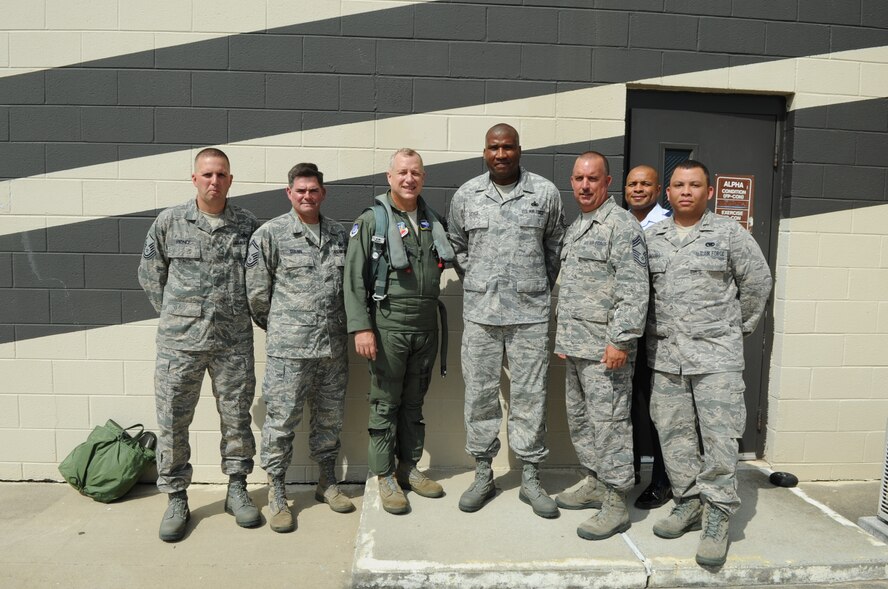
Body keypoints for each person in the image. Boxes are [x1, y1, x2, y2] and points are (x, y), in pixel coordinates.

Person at [645, 160, 772, 567]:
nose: (686, 191)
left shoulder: (730, 234)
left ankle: (717, 515)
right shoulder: (653, 238)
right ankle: (688, 501)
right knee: (673, 434)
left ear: (709, 192)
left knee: (720, 438)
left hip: (717, 358)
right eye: (679, 185)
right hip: (666, 357)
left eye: (694, 185)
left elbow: (757, 283)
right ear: (668, 193)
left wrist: (735, 330)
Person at [138, 147, 260, 542]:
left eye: (221, 174)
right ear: (194, 179)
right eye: (207, 174)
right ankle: (176, 497)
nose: (214, 181)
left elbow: (258, 282)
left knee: (237, 418)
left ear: (230, 180)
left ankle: (237, 488)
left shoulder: (246, 226)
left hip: (233, 342)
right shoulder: (169, 222)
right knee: (173, 420)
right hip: (181, 344)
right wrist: (179, 316)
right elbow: (150, 275)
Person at [447, 123, 565, 518]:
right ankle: (483, 473)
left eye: (508, 147)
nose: (501, 154)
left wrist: (533, 286)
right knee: (480, 394)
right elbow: (458, 247)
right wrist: (480, 282)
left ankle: (530, 476)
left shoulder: (545, 193)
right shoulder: (467, 195)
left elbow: (555, 247)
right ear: (485, 152)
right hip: (481, 314)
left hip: (529, 315)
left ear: (519, 150)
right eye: (494, 148)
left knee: (530, 395)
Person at [245, 163, 354, 534]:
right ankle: (277, 491)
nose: (307, 196)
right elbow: (257, 296)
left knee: (330, 418)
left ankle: (327, 482)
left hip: (333, 350)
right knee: (281, 422)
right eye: (300, 190)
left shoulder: (341, 235)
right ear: (289, 193)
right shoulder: (269, 235)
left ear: (323, 193)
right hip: (289, 351)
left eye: (313, 190)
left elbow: (350, 289)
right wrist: (284, 328)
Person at [344, 148, 454, 515]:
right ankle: (384, 474)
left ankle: (409, 466)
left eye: (416, 173)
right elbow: (354, 279)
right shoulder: (372, 221)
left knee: (413, 403)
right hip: (389, 325)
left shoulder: (431, 220)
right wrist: (362, 328)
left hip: (425, 326)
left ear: (423, 178)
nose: (409, 179)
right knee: (384, 403)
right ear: (389, 177)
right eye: (402, 172)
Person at [553, 152, 648, 539]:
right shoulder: (578, 226)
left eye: (593, 179)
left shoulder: (621, 226)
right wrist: (563, 336)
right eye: (578, 178)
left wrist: (621, 340)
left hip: (606, 351)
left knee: (609, 426)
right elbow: (573, 286)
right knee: (581, 421)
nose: (584, 186)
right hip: (576, 346)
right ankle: (594, 480)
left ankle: (615, 501)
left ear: (607, 182)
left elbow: (635, 289)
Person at [624, 165, 673, 509]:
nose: (638, 189)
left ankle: (663, 480)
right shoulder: (618, 223)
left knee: (659, 411)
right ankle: (626, 473)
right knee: (621, 406)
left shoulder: (671, 225)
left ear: (658, 190)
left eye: (645, 184)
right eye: (632, 184)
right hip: (625, 334)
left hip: (659, 335)